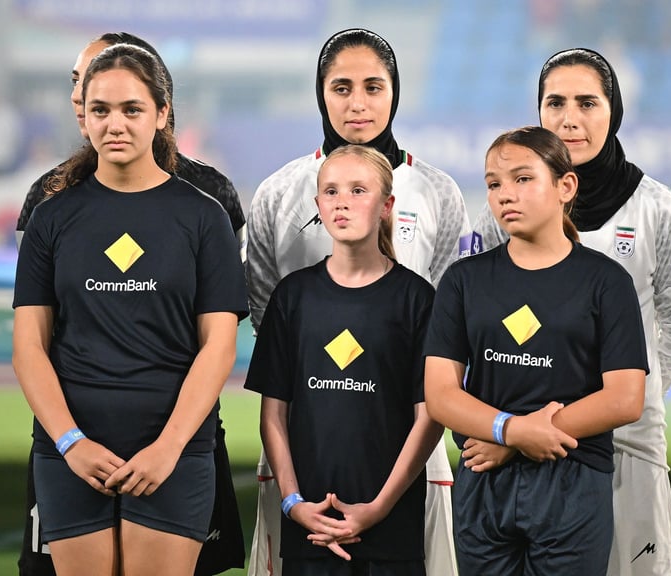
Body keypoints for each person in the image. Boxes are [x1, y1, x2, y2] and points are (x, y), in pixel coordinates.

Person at [15, 32, 247, 576]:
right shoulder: (52, 217)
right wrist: (71, 443)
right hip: (71, 453)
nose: (114, 123)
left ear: (162, 114)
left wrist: (168, 448)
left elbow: (219, 347)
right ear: (83, 118)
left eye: (131, 109)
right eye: (100, 109)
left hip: (175, 452)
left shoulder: (203, 216)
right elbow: (29, 348)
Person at [245, 28, 471, 576]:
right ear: (320, 93)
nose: (358, 103)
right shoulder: (279, 190)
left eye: (374, 86)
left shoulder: (438, 191)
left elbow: (449, 322)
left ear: (396, 93)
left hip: (411, 440)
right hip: (306, 443)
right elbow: (264, 309)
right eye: (341, 87)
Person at [471, 48, 671, 576]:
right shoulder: (504, 206)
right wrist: (510, 423)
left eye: (587, 102)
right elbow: (474, 316)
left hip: (627, 441)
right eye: (554, 102)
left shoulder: (656, 208)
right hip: (519, 440)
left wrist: (630, 398)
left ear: (613, 111)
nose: (569, 118)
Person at [426, 125, 648, 575]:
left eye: (523, 179)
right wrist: (514, 431)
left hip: (572, 476)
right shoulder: (463, 280)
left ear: (565, 186)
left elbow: (625, 398)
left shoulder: (606, 282)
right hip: (484, 479)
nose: (506, 194)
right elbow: (441, 394)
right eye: (494, 184)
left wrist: (516, 439)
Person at [245, 144, 443, 575]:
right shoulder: (292, 297)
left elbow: (429, 416)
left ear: (387, 206)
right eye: (331, 192)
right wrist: (294, 502)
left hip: (389, 527)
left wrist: (378, 507)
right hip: (309, 528)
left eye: (358, 190)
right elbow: (273, 414)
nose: (342, 202)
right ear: (318, 205)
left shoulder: (418, 300)